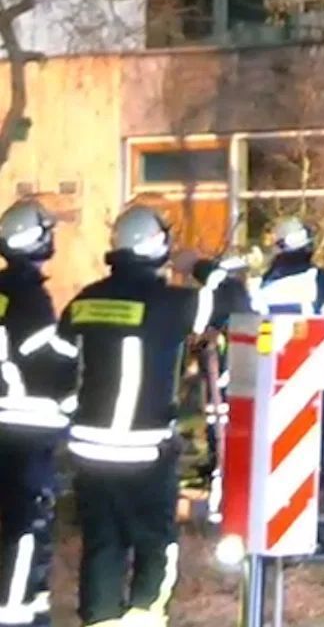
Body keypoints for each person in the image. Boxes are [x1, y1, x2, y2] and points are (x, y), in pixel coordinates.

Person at [60, 205, 214, 627]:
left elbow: (62, 364)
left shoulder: (85, 301)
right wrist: (199, 265)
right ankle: (143, 616)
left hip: (89, 451)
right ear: (158, 245)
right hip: (146, 452)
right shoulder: (177, 302)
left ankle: (100, 619)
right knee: (154, 540)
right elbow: (234, 300)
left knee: (102, 543)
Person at [0, 198, 76, 627]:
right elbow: (44, 365)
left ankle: (35, 608)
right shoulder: (31, 298)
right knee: (26, 528)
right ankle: (15, 615)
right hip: (28, 430)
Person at [256, 220, 324, 510]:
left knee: (284, 450)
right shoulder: (320, 280)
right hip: (320, 382)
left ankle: (290, 507)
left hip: (278, 384)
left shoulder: (264, 287)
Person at [172, 250, 252, 515]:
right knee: (218, 427)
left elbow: (220, 290)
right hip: (227, 377)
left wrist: (197, 265)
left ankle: (225, 491)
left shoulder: (233, 292)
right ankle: (220, 477)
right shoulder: (236, 295)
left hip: (236, 377)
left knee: (227, 432)